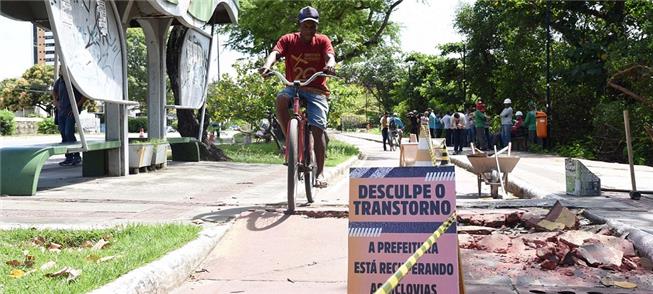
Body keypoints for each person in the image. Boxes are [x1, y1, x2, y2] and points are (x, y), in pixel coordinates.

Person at [260, 6, 336, 188]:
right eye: (306, 25)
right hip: (293, 87)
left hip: (317, 90)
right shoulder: (288, 40)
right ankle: (291, 140)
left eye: (313, 26)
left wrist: (331, 65)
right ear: (300, 25)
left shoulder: (322, 40)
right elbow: (275, 53)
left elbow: (330, 56)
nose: (309, 29)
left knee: (318, 130)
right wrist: (267, 66)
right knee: (281, 99)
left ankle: (320, 173)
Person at [52, 70, 85, 166]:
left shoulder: (74, 80)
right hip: (61, 111)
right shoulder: (59, 81)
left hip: (71, 111)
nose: (60, 71)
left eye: (62, 69)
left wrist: (76, 107)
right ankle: (69, 157)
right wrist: (56, 102)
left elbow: (84, 96)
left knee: (68, 132)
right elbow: (54, 91)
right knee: (63, 132)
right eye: (60, 69)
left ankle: (77, 156)